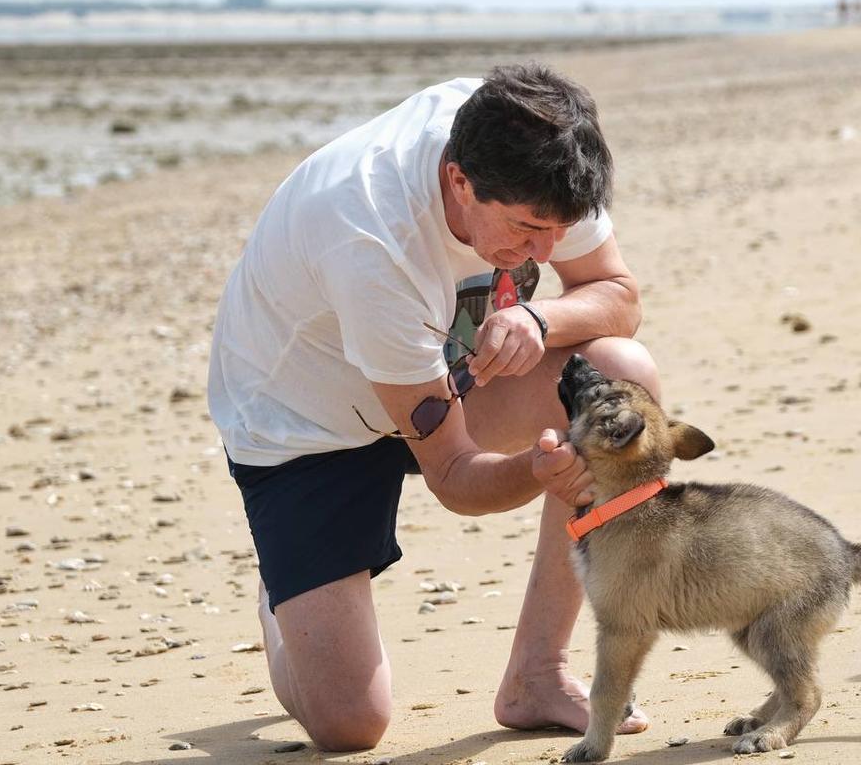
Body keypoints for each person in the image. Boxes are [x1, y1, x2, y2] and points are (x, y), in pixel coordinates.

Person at [206, 62, 657, 751]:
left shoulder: (548, 156)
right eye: (527, 230)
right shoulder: (370, 237)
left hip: (447, 376)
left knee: (622, 378)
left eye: (555, 233)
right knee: (349, 725)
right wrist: (544, 472)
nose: (539, 252)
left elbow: (617, 294)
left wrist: (543, 320)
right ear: (458, 181)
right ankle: (282, 599)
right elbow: (453, 477)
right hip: (304, 428)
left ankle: (538, 674)